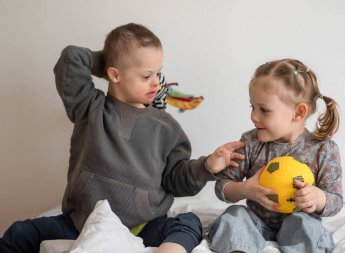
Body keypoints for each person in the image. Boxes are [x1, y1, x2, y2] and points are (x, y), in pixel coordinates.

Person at [0, 23, 245, 253]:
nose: (156, 82)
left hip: (143, 225)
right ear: (114, 75)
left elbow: (175, 180)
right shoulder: (90, 107)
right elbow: (71, 58)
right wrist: (112, 59)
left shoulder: (167, 127)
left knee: (189, 222)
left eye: (159, 73)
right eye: (146, 75)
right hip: (81, 223)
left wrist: (205, 167)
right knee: (19, 233)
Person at [208, 59, 343, 253]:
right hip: (256, 223)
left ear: (298, 112)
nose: (254, 116)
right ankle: (239, 249)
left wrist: (317, 198)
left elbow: (336, 201)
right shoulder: (251, 143)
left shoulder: (323, 150)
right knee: (235, 215)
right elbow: (222, 187)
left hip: (297, 225)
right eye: (252, 107)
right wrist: (244, 189)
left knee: (306, 224)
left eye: (264, 109)